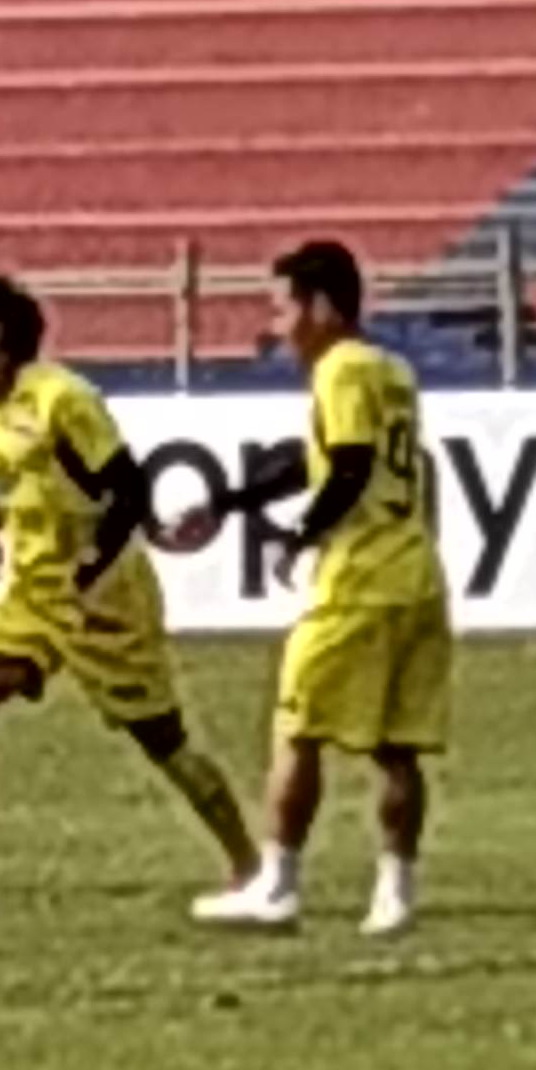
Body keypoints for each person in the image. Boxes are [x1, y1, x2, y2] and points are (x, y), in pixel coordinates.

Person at [0, 264, 262, 930]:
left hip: (106, 597)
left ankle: (253, 868)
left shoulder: (63, 400)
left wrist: (84, 575)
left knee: (164, 742)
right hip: (30, 593)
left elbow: (129, 493)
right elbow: (0, 474)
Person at [193, 241, 448, 939]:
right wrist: (232, 501)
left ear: (322, 307)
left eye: (283, 308)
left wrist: (299, 535)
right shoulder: (391, 370)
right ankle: (395, 891)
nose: (277, 327)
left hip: (358, 577)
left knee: (297, 727)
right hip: (417, 573)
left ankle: (277, 883)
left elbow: (350, 469)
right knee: (396, 746)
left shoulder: (339, 370)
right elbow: (321, 460)